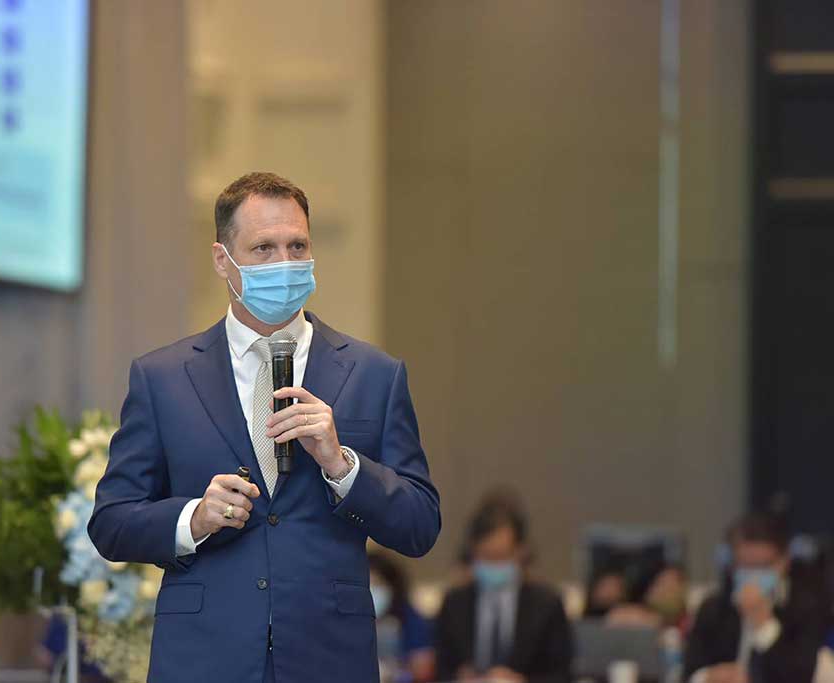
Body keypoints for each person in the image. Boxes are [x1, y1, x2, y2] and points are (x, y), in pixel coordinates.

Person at [87, 172, 441, 683]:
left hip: (328, 658)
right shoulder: (162, 378)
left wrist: (342, 466)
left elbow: (420, 525)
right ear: (222, 260)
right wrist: (194, 519)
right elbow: (111, 523)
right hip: (204, 658)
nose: (285, 263)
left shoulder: (374, 374)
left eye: (298, 247)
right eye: (263, 249)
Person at [434, 495, 572, 683]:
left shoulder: (547, 605)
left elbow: (562, 674)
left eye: (500, 556)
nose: (493, 565)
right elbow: (441, 670)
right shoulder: (454, 603)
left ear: (521, 551)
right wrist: (458, 677)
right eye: (485, 556)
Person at [684, 512, 832, 683]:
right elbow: (689, 672)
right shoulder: (713, 608)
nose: (753, 576)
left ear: (784, 561)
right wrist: (708, 677)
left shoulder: (807, 608)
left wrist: (764, 625)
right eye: (745, 565)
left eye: (763, 566)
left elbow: (802, 675)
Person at [369, 552, 436, 682]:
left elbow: (423, 665)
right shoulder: (347, 620)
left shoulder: (409, 617)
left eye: (377, 584)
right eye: (367, 585)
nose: (372, 590)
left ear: (392, 586)